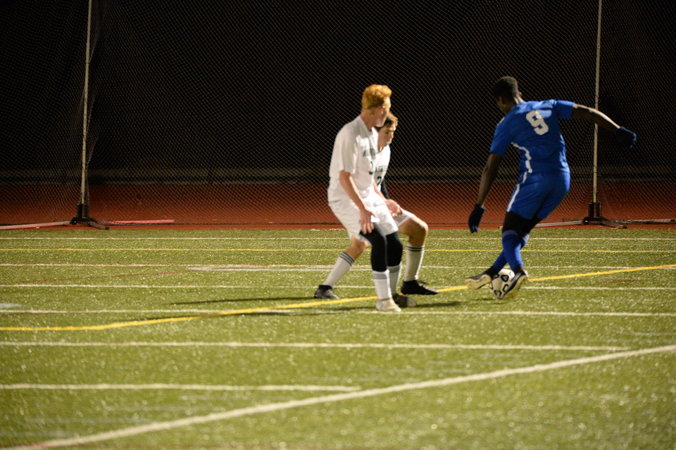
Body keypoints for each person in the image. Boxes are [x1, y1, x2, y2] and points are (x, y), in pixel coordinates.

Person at [465, 76, 637, 299]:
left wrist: (479, 204)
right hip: (562, 180)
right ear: (519, 92)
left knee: (509, 232)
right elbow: (587, 112)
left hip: (535, 181)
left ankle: (518, 271)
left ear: (501, 100)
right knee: (523, 229)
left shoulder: (506, 124)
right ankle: (491, 272)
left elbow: (491, 167)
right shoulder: (548, 105)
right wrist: (618, 129)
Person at [315, 112, 438, 304]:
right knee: (361, 245)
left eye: (393, 131)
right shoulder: (362, 150)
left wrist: (387, 202)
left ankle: (409, 283)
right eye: (387, 132)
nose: (391, 136)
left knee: (419, 229)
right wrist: (364, 208)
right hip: (358, 205)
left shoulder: (385, 150)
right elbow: (351, 180)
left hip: (377, 204)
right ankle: (325, 288)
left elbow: (378, 181)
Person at [320, 84, 404, 312]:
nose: (388, 113)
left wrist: (383, 200)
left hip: (367, 196)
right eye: (387, 108)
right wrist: (363, 209)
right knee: (377, 239)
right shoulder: (350, 133)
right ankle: (384, 301)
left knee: (394, 244)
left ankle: (392, 295)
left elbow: (367, 178)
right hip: (345, 198)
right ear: (379, 109)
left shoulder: (371, 134)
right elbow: (344, 177)